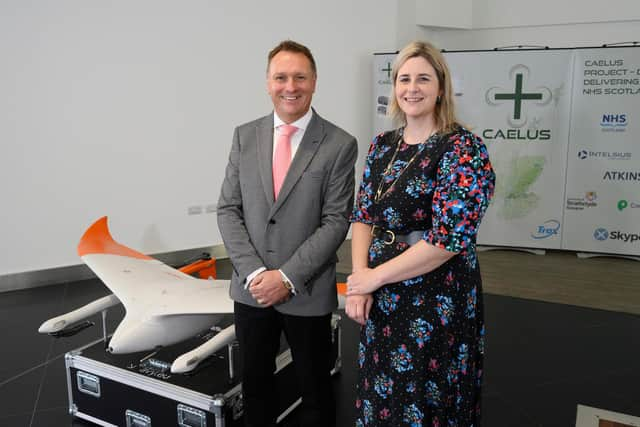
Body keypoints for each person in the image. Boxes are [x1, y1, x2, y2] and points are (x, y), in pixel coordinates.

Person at [345, 40, 495, 426]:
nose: (412, 88)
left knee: (430, 396)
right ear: (394, 87)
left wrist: (370, 280)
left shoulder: (462, 148)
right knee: (383, 394)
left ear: (441, 87)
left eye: (423, 79)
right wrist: (362, 280)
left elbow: (447, 238)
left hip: (436, 297)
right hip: (384, 294)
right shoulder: (383, 145)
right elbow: (363, 215)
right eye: (404, 79)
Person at [217, 40, 357, 427]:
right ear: (267, 82)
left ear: (314, 82)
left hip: (306, 291)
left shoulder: (339, 144)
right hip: (252, 290)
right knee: (256, 387)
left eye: (300, 77)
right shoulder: (245, 136)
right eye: (281, 77)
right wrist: (257, 274)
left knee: (315, 391)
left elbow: (335, 221)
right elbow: (229, 209)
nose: (290, 86)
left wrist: (287, 277)